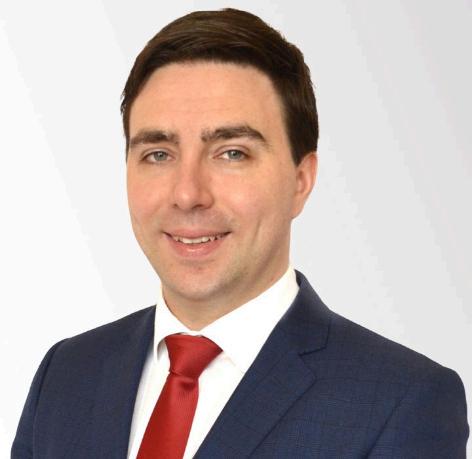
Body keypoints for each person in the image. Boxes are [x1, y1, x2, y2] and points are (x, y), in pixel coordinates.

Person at [12, 8, 468, 459]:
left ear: (301, 180)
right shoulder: (66, 375)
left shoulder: (401, 403)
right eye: (158, 154)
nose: (188, 194)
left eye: (231, 153)